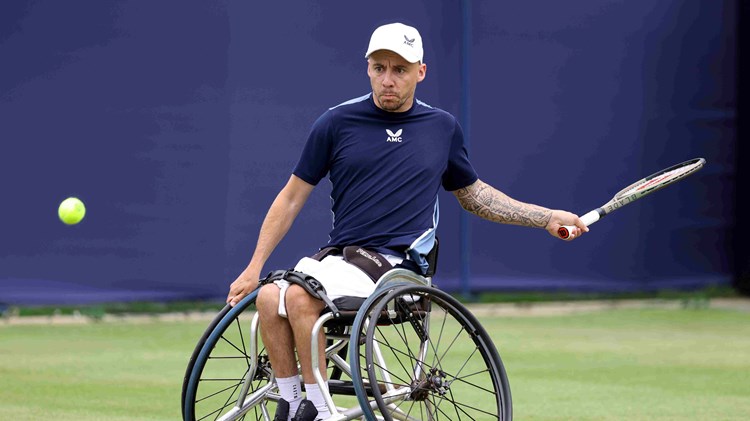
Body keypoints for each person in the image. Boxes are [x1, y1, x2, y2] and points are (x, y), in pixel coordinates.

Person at [226, 22, 588, 421]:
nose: (388, 80)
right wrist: (253, 266)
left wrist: (547, 217)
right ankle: (293, 400)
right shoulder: (335, 122)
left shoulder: (441, 128)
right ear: (367, 68)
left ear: (420, 72)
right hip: (342, 260)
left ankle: (319, 409)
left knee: (297, 296)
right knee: (266, 296)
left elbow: (476, 197)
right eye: (379, 68)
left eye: (399, 70)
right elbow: (291, 198)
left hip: (402, 268)